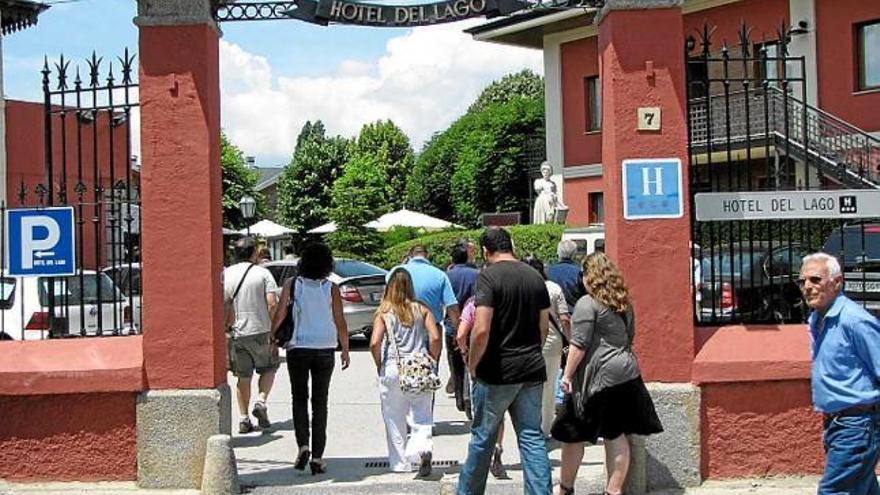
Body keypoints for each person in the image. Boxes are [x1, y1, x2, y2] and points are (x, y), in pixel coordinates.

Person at [553, 252, 663, 495]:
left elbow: (578, 345)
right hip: (626, 374)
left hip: (595, 379)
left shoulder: (586, 304)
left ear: (588, 277)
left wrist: (567, 376)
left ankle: (564, 488)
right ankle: (613, 491)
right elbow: (630, 337)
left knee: (572, 432)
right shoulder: (624, 304)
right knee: (615, 433)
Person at [457, 227, 552, 495]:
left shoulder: (488, 277)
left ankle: (468, 492)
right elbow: (544, 326)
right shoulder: (534, 277)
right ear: (510, 246)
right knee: (532, 437)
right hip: (531, 366)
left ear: (486, 251)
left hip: (497, 369)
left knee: (483, 438)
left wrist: (473, 364)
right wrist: (534, 351)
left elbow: (482, 328)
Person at [799, 252, 880, 495]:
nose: (807, 287)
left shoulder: (854, 321)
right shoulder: (818, 319)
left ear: (837, 282)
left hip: (857, 425)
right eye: (802, 281)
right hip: (837, 423)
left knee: (833, 491)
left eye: (815, 280)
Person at [271, 242, 351, 476]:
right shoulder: (331, 288)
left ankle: (303, 445)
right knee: (320, 402)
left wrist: (272, 335)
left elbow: (281, 313)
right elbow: (340, 320)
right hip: (325, 347)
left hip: (298, 346)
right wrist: (345, 348)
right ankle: (317, 457)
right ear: (328, 264)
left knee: (298, 397)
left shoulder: (293, 284)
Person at [370, 268, 442, 477]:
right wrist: (432, 359)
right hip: (419, 366)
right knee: (422, 413)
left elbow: (375, 342)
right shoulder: (422, 309)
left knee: (394, 416)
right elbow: (435, 337)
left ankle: (400, 463)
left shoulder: (384, 313)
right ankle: (423, 450)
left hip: (393, 367)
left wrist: (379, 363)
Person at [223, 236, 279, 434]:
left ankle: (244, 418)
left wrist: (226, 328)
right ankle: (261, 401)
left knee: (243, 376)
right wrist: (275, 328)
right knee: (269, 367)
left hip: (237, 333)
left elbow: (223, 305)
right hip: (261, 330)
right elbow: (272, 303)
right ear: (255, 253)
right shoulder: (263, 274)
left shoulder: (227, 274)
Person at [457, 295, 507, 479]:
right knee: (499, 411)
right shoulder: (505, 300)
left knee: (481, 412)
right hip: (505, 361)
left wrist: (465, 353)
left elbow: (462, 334)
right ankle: (497, 448)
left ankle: (478, 461)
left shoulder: (472, 304)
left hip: (480, 361)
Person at [523, 254, 571, 435]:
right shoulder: (554, 288)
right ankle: (544, 429)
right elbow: (565, 318)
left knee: (528, 387)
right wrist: (571, 340)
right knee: (549, 387)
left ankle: (529, 426)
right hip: (552, 344)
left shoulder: (522, 287)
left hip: (526, 342)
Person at [446, 241, 479, 415]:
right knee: (472, 361)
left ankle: (459, 396)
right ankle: (469, 397)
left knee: (455, 363)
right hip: (472, 323)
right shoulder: (476, 275)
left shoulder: (447, 275)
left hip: (451, 325)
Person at [548, 240, 586, 313]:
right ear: (574, 254)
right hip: (573, 313)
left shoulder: (549, 271)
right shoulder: (579, 272)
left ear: (558, 253)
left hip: (554, 313)